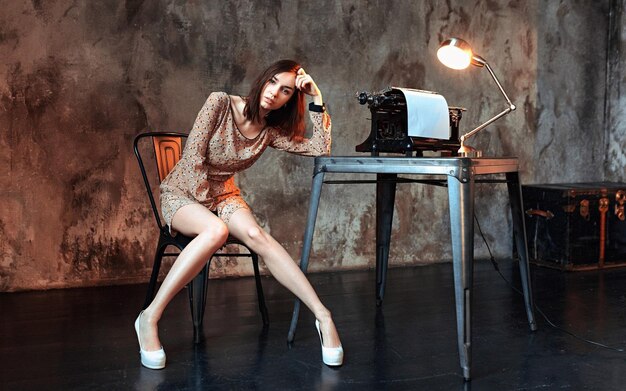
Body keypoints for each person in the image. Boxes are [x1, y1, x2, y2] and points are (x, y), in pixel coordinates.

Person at [134, 59, 343, 369]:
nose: (274, 92)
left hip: (224, 194)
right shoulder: (220, 102)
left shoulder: (269, 132)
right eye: (273, 82)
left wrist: (317, 98)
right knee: (216, 231)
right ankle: (148, 318)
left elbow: (320, 148)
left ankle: (323, 316)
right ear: (263, 79)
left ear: (290, 99)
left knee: (258, 235)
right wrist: (213, 213)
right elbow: (192, 158)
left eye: (285, 90)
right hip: (184, 191)